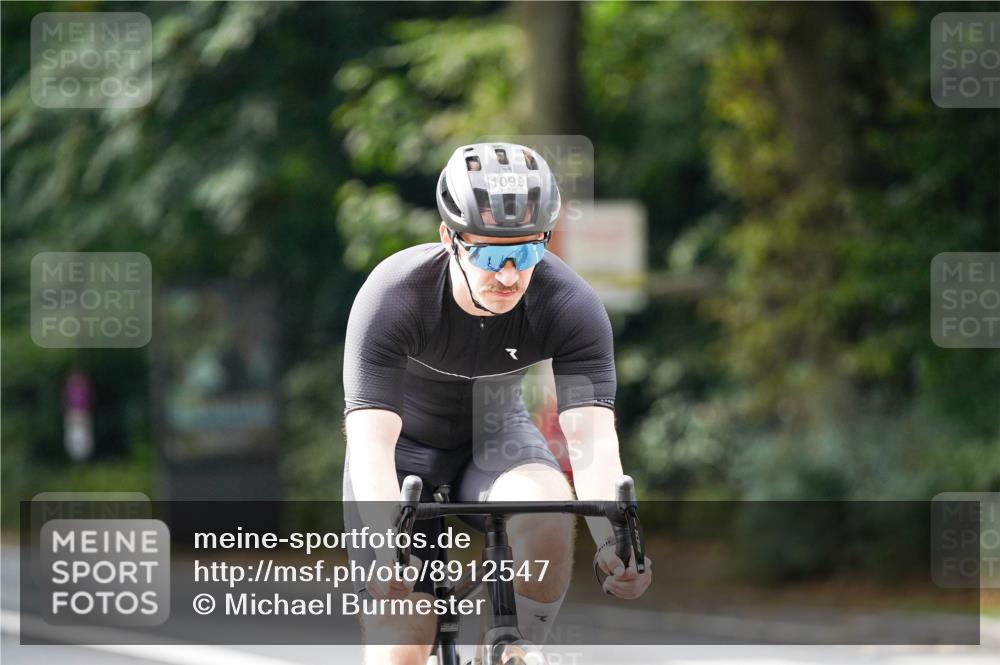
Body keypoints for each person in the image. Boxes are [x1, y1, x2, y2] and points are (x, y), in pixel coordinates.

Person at [343, 142, 652, 665]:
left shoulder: (569, 304)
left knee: (550, 508)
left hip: (493, 443)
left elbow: (592, 438)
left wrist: (613, 543)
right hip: (400, 456)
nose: (509, 274)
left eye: (528, 251)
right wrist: (384, 541)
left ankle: (512, 649)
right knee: (402, 644)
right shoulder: (394, 295)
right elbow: (371, 442)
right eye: (489, 254)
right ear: (450, 239)